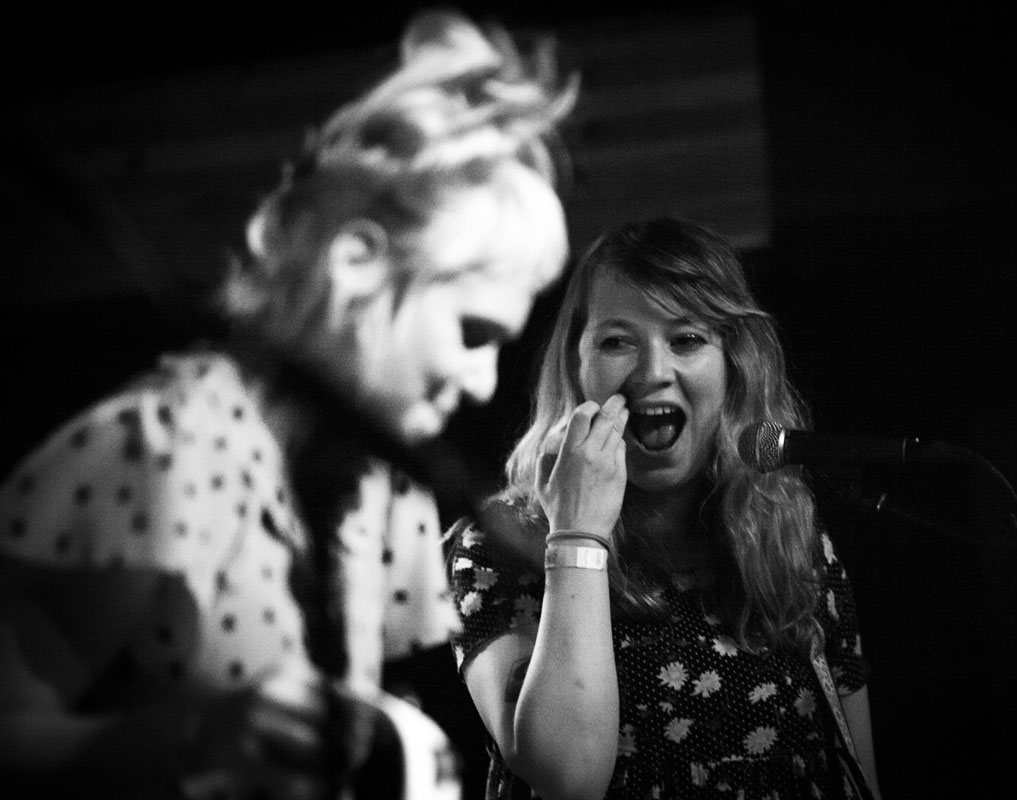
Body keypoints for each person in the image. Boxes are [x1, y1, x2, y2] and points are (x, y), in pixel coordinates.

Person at [0, 8, 577, 800]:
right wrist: (192, 740)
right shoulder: (165, 448)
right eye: (473, 331)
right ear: (357, 264)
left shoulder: (374, 476)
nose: (483, 382)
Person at [446, 217, 882, 800]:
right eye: (618, 341)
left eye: (687, 339)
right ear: (576, 368)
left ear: (733, 365)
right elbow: (568, 778)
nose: (654, 373)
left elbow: (859, 775)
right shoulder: (498, 541)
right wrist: (577, 534)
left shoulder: (791, 533)